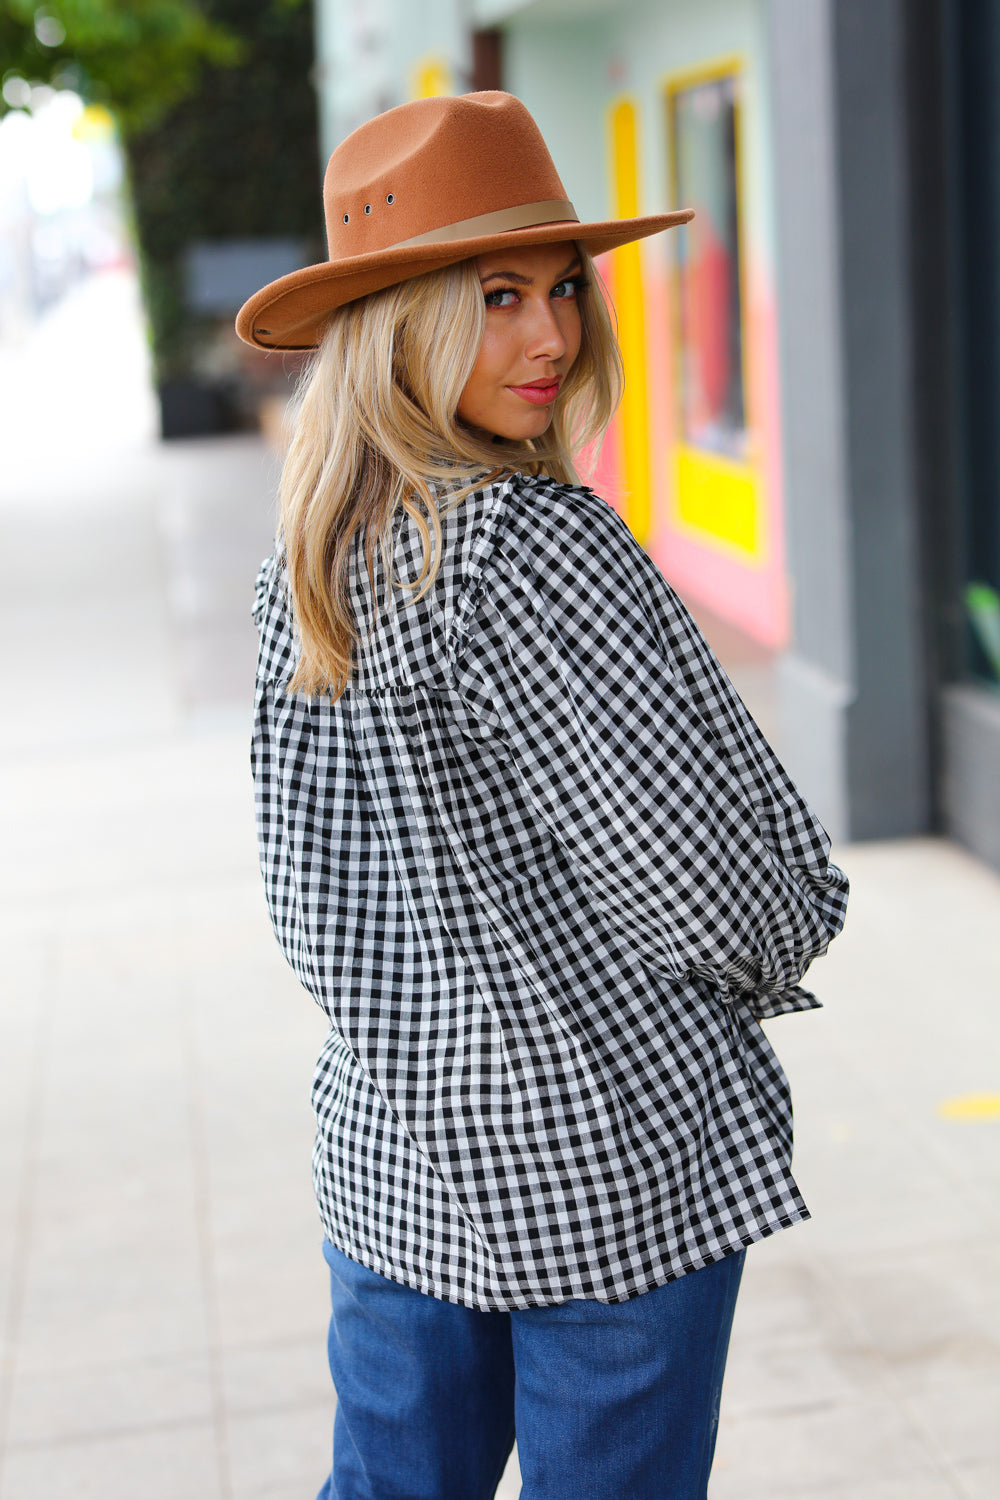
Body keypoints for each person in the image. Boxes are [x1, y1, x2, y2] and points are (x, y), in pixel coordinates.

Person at [236, 90, 848, 1500]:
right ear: (401, 318)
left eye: (562, 286)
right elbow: (703, 880)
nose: (552, 336)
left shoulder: (310, 562)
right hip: (607, 1152)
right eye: (496, 295)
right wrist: (791, 926)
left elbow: (305, 892)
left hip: (394, 1148)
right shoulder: (532, 545)